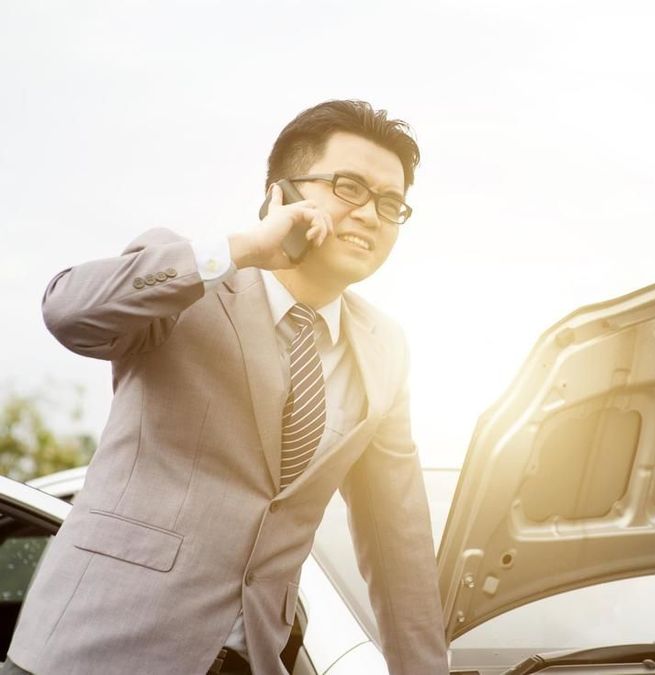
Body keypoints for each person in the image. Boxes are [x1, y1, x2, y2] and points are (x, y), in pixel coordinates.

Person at [3, 100, 449, 675]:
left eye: (390, 203)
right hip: (92, 649)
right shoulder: (194, 283)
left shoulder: (386, 350)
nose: (370, 214)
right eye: (348, 187)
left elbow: (399, 552)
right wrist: (238, 250)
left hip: (250, 660)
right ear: (280, 196)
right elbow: (68, 311)